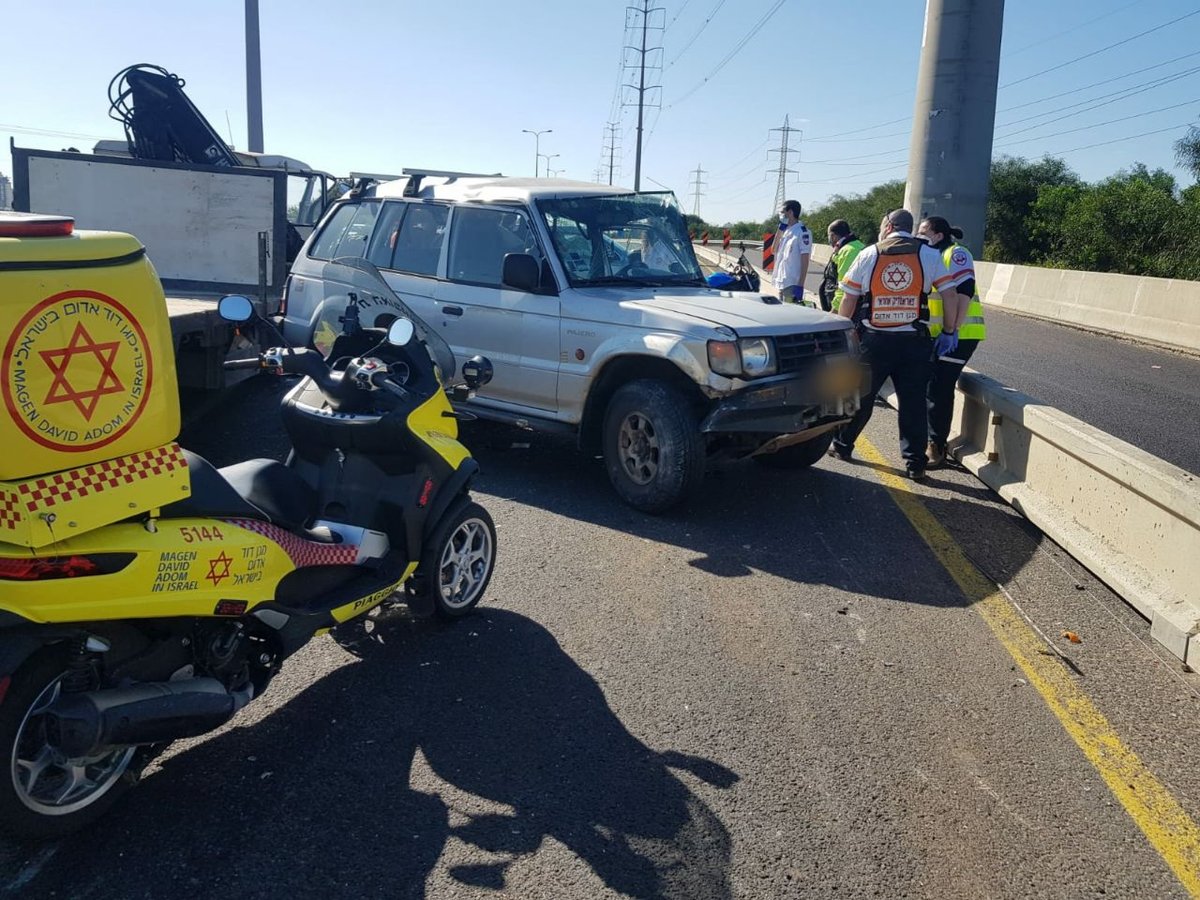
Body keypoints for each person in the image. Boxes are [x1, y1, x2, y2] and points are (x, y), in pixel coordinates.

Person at [827, 209, 967, 480]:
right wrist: (950, 330)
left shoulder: (868, 254)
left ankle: (843, 446)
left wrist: (840, 331)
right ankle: (915, 464)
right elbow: (950, 294)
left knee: (860, 397)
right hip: (915, 343)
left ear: (889, 226)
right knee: (913, 403)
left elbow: (848, 299)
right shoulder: (929, 254)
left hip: (875, 340)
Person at [917, 216, 988, 467]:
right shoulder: (931, 256)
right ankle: (929, 440)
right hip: (942, 334)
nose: (920, 234)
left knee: (939, 387)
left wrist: (952, 329)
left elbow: (965, 290)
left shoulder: (956, 254)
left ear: (938, 235)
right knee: (929, 385)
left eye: (924, 231)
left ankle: (936, 447)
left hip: (961, 334)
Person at [818, 220, 865, 313]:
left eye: (828, 236)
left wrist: (834, 310)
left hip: (843, 308)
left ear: (833, 236)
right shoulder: (858, 246)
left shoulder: (848, 251)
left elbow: (844, 286)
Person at [773, 199, 813, 303]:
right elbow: (774, 249)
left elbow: (805, 259)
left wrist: (800, 284)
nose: (781, 215)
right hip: (782, 281)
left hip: (793, 282)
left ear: (790, 212)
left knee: (789, 315)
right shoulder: (786, 232)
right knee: (782, 315)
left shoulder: (803, 232)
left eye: (783, 212)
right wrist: (780, 229)